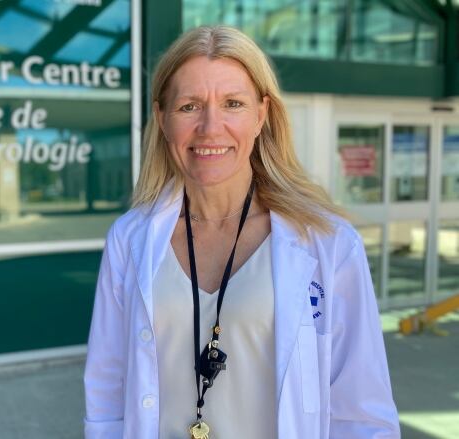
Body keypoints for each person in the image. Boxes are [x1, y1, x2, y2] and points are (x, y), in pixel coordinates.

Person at [84, 26, 399, 439]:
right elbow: (107, 390)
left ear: (261, 115)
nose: (210, 128)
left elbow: (362, 410)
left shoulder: (328, 242)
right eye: (189, 106)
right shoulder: (129, 240)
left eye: (232, 103)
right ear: (161, 118)